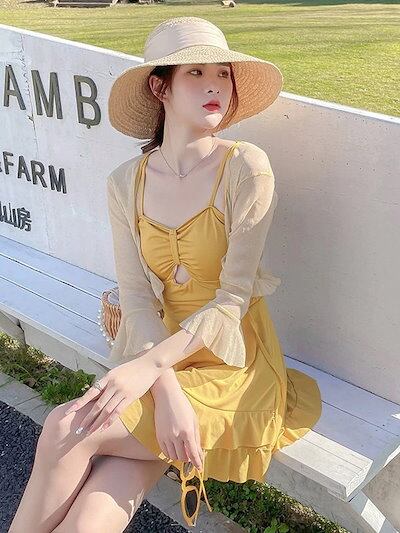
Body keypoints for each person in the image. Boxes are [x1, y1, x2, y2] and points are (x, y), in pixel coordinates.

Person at [9, 16, 322, 532]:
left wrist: (150, 370)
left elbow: (233, 299)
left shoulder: (246, 168)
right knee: (89, 519)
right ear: (161, 88)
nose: (215, 85)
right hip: (157, 350)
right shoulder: (125, 182)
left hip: (231, 363)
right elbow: (135, 296)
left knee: (66, 427)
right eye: (195, 73)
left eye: (222, 73)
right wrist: (165, 388)